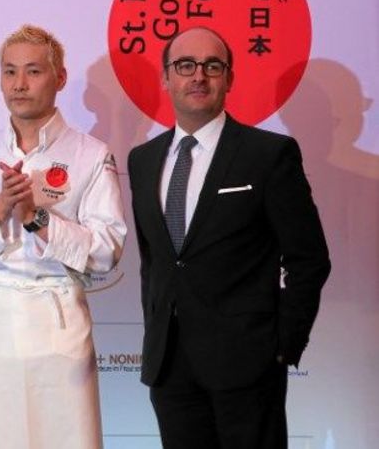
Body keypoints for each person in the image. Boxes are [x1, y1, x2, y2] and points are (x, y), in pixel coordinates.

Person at [127, 26, 330, 449]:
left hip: (249, 366)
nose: (198, 76)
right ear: (166, 78)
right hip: (169, 368)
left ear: (229, 79)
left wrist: (283, 346)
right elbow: (155, 263)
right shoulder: (142, 160)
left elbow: (308, 259)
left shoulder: (268, 154)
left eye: (212, 66)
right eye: (185, 65)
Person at [0, 24, 127, 449]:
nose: (19, 84)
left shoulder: (91, 154)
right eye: (9, 72)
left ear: (59, 78)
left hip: (58, 319)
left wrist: (37, 219)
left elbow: (106, 250)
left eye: (33, 71)